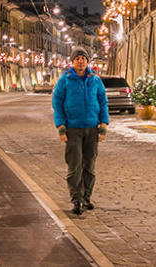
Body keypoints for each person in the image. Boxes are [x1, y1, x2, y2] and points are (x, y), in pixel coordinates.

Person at [51, 48, 108, 215]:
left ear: (87, 61)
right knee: (75, 166)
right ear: (73, 62)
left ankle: (86, 197)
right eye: (77, 59)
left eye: (83, 58)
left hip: (92, 128)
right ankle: (76, 199)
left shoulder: (95, 81)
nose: (81, 61)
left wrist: (103, 125)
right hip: (72, 129)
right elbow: (57, 103)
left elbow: (103, 102)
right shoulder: (65, 81)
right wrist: (61, 127)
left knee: (89, 166)